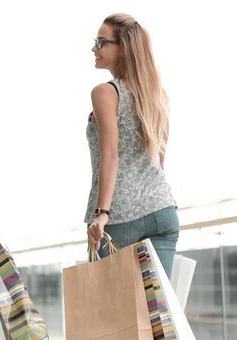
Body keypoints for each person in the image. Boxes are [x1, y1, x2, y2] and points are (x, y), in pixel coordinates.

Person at [85, 13, 178, 277]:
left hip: (119, 217)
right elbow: (160, 158)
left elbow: (110, 155)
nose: (94, 48)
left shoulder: (105, 93)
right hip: (162, 210)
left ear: (123, 48)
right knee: (155, 315)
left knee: (112, 314)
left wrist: (102, 213)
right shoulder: (158, 96)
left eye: (101, 42)